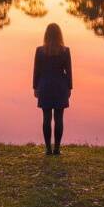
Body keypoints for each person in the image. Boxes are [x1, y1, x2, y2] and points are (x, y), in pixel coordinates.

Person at [32, 23, 73, 155]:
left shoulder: (40, 51)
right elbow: (69, 72)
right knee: (59, 118)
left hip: (45, 86)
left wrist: (35, 87)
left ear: (46, 35)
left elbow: (36, 71)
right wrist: (69, 88)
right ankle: (57, 149)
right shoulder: (65, 50)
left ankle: (48, 149)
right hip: (60, 87)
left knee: (46, 118)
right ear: (60, 35)